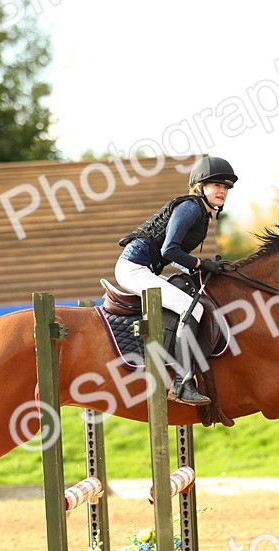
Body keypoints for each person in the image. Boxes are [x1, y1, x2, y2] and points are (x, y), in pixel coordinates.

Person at [115, 155, 236, 406]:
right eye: (216, 185)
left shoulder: (201, 212)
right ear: (201, 187)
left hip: (145, 268)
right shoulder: (191, 207)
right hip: (134, 269)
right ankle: (182, 383)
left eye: (225, 187)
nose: (222, 191)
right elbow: (169, 250)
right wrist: (201, 264)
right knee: (192, 308)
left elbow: (171, 254)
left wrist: (200, 270)